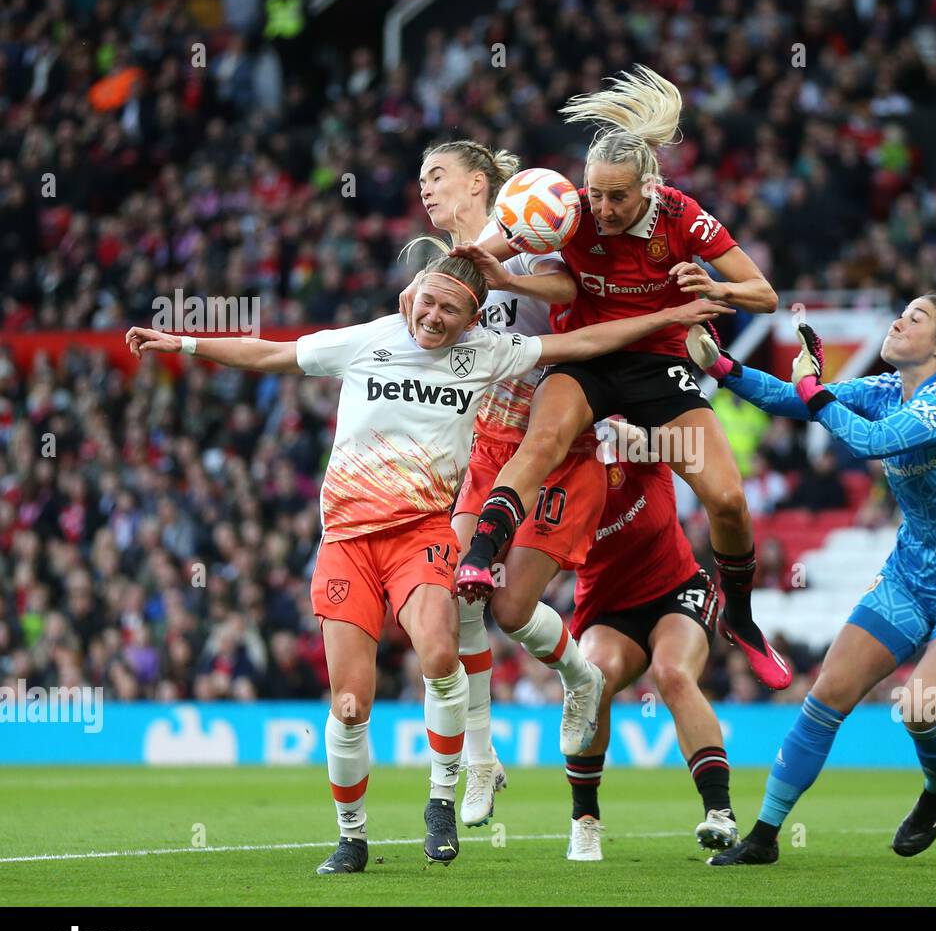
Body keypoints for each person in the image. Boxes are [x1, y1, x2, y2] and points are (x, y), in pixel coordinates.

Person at [125, 250, 731, 874]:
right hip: (347, 541)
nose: (434, 318)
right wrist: (184, 343)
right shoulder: (368, 341)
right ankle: (352, 838)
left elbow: (585, 341)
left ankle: (442, 800)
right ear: (409, 295)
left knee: (442, 656)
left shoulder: (486, 354)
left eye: (450, 309)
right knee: (351, 705)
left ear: (472, 320)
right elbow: (270, 353)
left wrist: (671, 312)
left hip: (422, 534)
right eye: (428, 302)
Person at [447, 65, 791, 693]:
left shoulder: (683, 218)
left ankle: (738, 614)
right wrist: (465, 267)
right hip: (584, 358)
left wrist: (714, 287)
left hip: (660, 365)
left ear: (649, 190)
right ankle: (476, 559)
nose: (601, 209)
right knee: (543, 441)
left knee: (728, 500)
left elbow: (764, 295)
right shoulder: (566, 213)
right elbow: (491, 255)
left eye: (616, 198)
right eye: (595, 193)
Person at [690, 294, 936, 865]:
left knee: (919, 708)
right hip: (911, 573)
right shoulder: (884, 391)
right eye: (903, 311)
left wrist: (813, 389)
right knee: (827, 696)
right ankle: (765, 837)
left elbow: (870, 442)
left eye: (916, 318)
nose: (899, 320)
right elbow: (787, 401)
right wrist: (722, 367)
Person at [407, 139, 611, 826]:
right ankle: (482, 761)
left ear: (476, 184)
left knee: (512, 610)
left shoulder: (523, 227)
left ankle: (581, 675)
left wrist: (505, 275)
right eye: (421, 179)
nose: (426, 190)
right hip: (491, 442)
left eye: (437, 177)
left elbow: (566, 288)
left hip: (559, 443)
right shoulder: (440, 268)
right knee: (458, 592)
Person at [563, 423, 736, 861]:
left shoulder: (628, 434)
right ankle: (585, 820)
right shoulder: (554, 469)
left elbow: (678, 445)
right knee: (590, 680)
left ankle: (720, 813)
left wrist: (645, 439)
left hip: (676, 588)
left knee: (673, 673)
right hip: (607, 607)